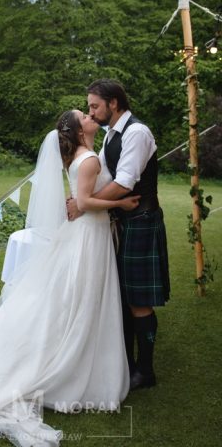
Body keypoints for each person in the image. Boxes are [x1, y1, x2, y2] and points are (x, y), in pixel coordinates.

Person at [0, 110, 139, 447]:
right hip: (87, 236)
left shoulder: (86, 156)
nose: (89, 115)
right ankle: (70, 367)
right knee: (80, 297)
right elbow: (84, 202)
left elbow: (80, 200)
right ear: (78, 129)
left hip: (88, 233)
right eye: (84, 114)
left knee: (80, 297)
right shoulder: (88, 161)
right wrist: (122, 204)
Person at [67, 79, 170, 391]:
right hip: (123, 220)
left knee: (138, 298)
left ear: (113, 103)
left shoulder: (136, 132)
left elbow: (124, 183)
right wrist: (80, 196)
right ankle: (125, 360)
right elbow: (104, 177)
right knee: (123, 294)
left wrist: (84, 206)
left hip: (141, 218)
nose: (91, 111)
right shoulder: (111, 133)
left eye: (95, 105)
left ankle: (145, 370)